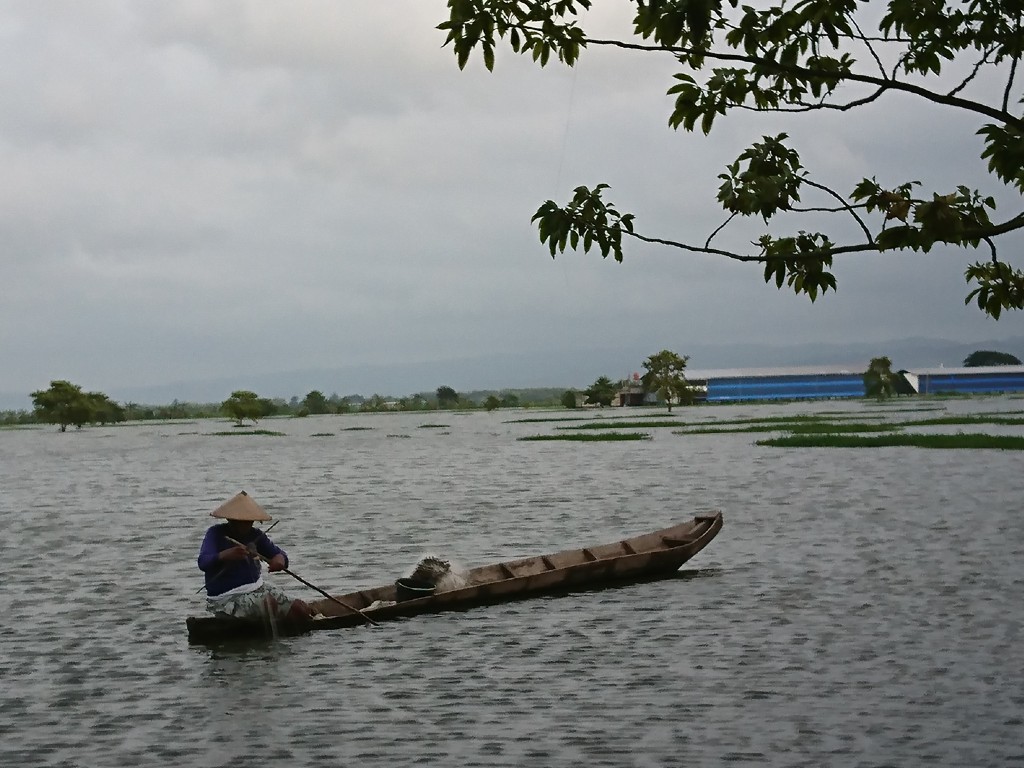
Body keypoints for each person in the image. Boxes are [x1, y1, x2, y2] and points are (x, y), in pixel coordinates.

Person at [197, 491, 314, 621]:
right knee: (269, 605)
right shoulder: (216, 533)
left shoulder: (255, 535)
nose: (247, 525)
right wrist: (225, 555)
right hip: (228, 597)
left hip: (257, 589)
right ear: (231, 520)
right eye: (242, 521)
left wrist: (279, 560)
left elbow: (279, 554)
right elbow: (203, 562)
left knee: (301, 609)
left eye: (249, 521)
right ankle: (266, 633)